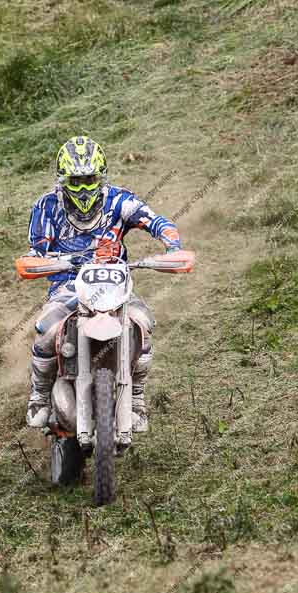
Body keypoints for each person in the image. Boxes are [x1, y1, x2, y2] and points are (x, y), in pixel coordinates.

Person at [25, 136, 182, 432]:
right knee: (46, 330)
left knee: (142, 325)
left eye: (90, 178)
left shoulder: (119, 200)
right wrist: (41, 262)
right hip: (68, 284)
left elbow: (157, 221)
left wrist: (172, 245)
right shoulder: (46, 206)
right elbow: (36, 252)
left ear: (101, 176)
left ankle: (135, 398)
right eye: (76, 180)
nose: (84, 187)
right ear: (63, 180)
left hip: (115, 282)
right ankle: (40, 397)